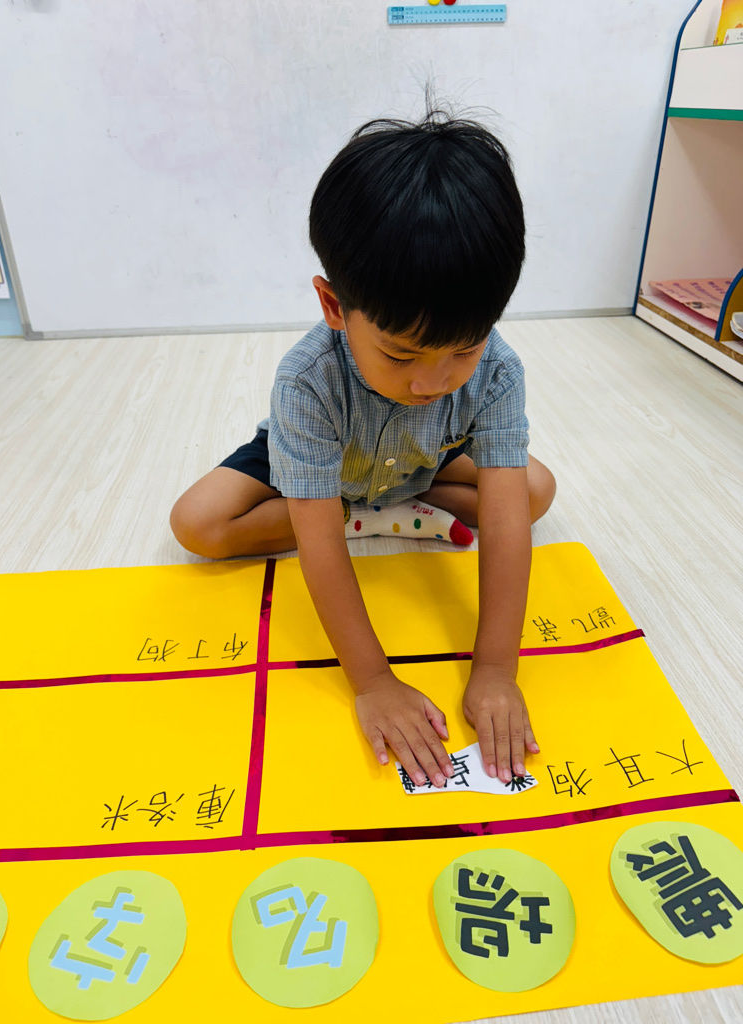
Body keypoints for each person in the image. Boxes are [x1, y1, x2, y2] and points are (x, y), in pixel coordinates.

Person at [170, 102, 556, 791]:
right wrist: (373, 681)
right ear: (333, 307)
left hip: (425, 457)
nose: (432, 382)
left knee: (533, 492)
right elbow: (318, 548)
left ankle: (384, 506)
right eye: (401, 354)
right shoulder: (307, 381)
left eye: (464, 349)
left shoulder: (498, 371)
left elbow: (503, 522)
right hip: (322, 459)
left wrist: (497, 669)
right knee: (198, 523)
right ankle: (360, 509)